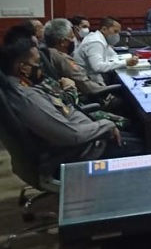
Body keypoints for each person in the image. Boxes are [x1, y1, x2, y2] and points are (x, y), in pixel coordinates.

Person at [0, 37, 142, 164]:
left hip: (87, 138)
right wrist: (107, 125)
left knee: (139, 132)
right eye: (37, 62)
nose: (41, 66)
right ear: (24, 69)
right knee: (150, 145)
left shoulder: (20, 88)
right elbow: (71, 135)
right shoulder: (28, 98)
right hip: (82, 152)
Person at [44, 18, 115, 97]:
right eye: (71, 37)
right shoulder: (63, 59)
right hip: (90, 97)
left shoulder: (47, 52)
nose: (73, 40)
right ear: (62, 42)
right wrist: (106, 88)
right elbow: (86, 85)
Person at [74, 16, 138, 84]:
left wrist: (128, 60)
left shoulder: (100, 38)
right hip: (87, 82)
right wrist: (125, 62)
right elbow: (98, 67)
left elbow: (114, 55)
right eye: (115, 31)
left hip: (93, 79)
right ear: (104, 29)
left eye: (118, 32)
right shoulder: (96, 42)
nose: (117, 35)